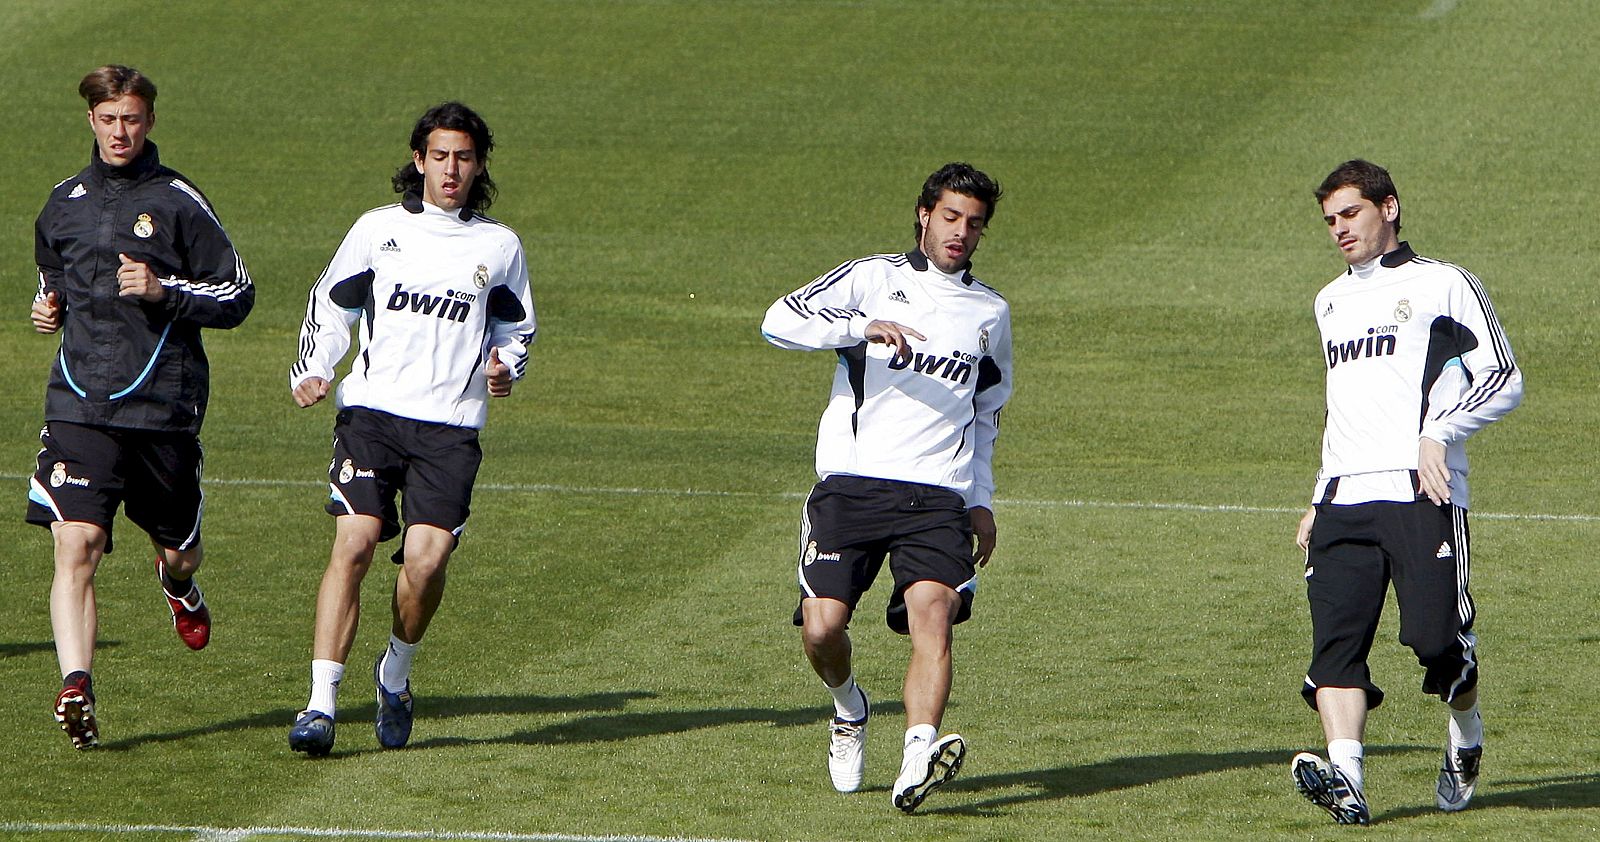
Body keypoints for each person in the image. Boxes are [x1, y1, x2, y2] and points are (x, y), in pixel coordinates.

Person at [286, 102, 536, 756]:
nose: (451, 169)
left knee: (424, 565)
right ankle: (320, 703)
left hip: (449, 430)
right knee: (356, 541)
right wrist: (315, 369)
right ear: (418, 160)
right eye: (440, 156)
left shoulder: (498, 246)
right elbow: (330, 301)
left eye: (464, 157)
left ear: (479, 165)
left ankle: (395, 673)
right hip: (371, 415)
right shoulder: (377, 230)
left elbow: (516, 329)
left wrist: (506, 366)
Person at [760, 162, 1012, 812]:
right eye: (951, 217)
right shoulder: (873, 278)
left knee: (935, 616)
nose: (961, 233)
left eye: (975, 224)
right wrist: (854, 328)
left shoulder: (990, 314)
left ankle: (916, 757)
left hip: (939, 496)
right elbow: (777, 320)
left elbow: (986, 415)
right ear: (925, 214)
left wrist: (980, 499)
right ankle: (848, 708)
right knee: (821, 629)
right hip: (852, 486)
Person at [27, 65, 255, 750]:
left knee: (178, 551)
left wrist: (163, 292)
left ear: (149, 120)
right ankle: (76, 683)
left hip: (161, 409)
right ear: (90, 121)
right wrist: (48, 309)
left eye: (131, 118)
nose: (120, 131)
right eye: (108, 119)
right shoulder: (62, 203)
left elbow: (238, 294)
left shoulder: (180, 202)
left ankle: (178, 585)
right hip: (78, 403)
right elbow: (53, 276)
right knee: (77, 544)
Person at [1290, 159, 1522, 824]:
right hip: (1343, 500)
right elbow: (1344, 407)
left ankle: (1466, 730)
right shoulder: (1328, 301)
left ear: (1388, 208)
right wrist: (1318, 495)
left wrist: (1437, 432)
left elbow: (1502, 377)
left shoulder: (1444, 285)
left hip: (1422, 494)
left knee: (1435, 642)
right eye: (1330, 220)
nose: (1339, 229)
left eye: (1350, 214)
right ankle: (1350, 782)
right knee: (1335, 647)